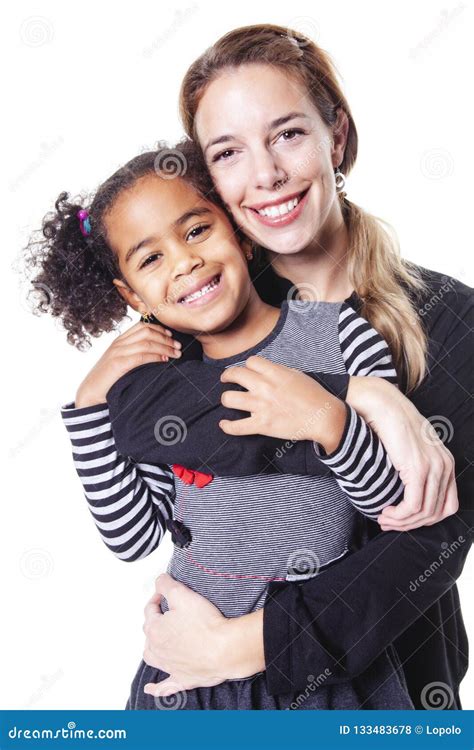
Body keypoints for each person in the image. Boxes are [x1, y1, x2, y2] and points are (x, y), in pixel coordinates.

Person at [27, 140, 416, 709]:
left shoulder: (340, 336)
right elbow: (131, 537)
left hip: (319, 669)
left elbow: (391, 501)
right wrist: (90, 408)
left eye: (195, 231)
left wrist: (329, 422)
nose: (184, 262)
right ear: (133, 296)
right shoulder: (162, 390)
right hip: (191, 680)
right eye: (150, 259)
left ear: (238, 231)